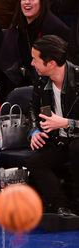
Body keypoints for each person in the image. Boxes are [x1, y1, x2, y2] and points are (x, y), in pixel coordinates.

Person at [26, 35, 79, 217]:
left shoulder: (78, 78)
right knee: (35, 161)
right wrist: (33, 130)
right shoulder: (41, 81)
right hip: (58, 140)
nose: (32, 63)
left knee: (76, 148)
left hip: (76, 140)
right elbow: (32, 107)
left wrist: (66, 123)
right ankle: (61, 206)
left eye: (35, 59)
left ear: (51, 63)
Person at [0, 0, 70, 98]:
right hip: (19, 85)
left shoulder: (56, 29)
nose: (27, 2)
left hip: (48, 91)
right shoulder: (17, 25)